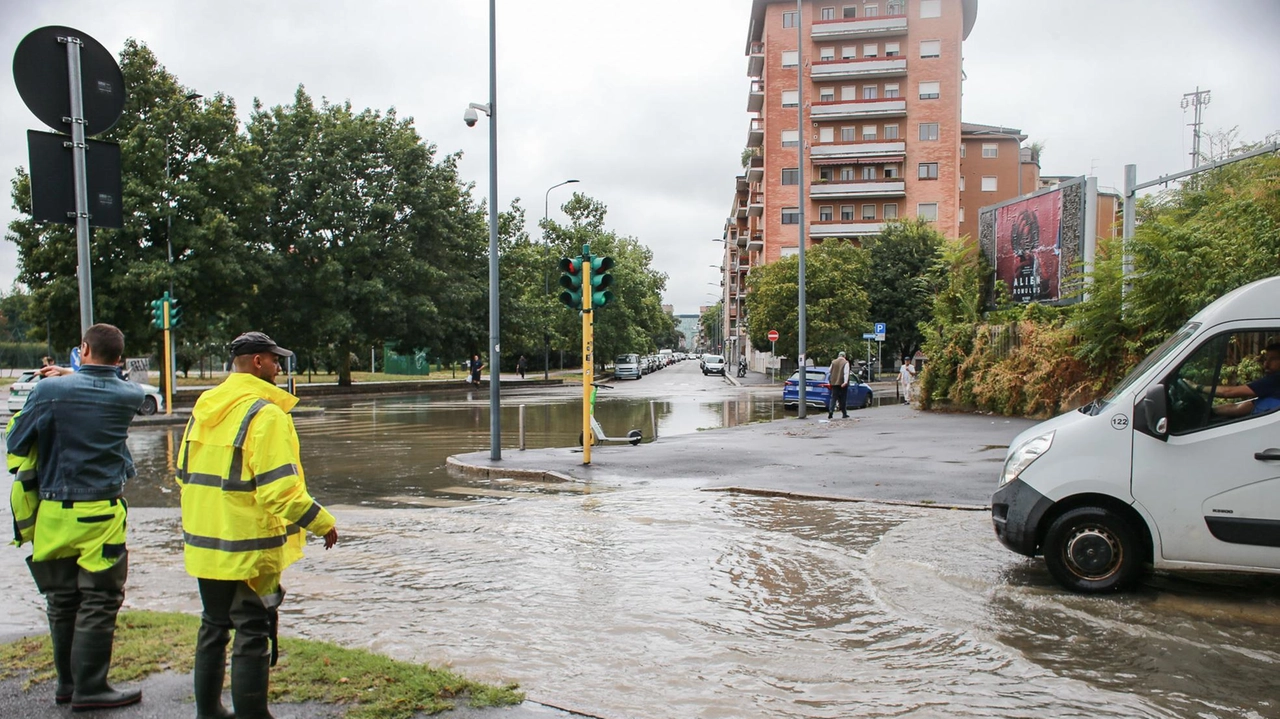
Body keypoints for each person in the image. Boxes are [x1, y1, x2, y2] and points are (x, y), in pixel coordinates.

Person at [176, 331, 338, 719]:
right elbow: (280, 491)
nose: (280, 368)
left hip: (206, 540)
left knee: (213, 627)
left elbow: (183, 472)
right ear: (257, 363)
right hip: (248, 545)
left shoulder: (205, 406)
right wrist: (323, 522)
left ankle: (209, 712)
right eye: (275, 360)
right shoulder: (266, 415)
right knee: (252, 628)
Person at [6, 324, 145, 711]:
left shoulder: (48, 392)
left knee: (61, 601)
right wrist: (83, 373)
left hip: (53, 513)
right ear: (119, 358)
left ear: (82, 349)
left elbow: (15, 441)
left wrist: (68, 377)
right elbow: (112, 383)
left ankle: (66, 685)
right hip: (102, 513)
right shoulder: (129, 396)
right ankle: (92, 687)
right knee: (99, 601)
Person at [1197, 341, 1280, 418]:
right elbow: (1239, 408)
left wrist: (1198, 387)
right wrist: (1211, 411)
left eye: (1273, 359)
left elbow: (1227, 392)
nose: (1266, 364)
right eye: (1266, 359)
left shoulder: (1275, 380)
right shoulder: (1271, 391)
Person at [828, 351, 851, 419]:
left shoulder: (833, 362)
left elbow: (829, 370)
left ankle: (830, 412)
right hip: (842, 383)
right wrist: (845, 382)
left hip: (834, 383)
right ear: (844, 356)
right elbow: (846, 373)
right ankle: (844, 413)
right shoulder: (846, 362)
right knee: (843, 398)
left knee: (833, 397)